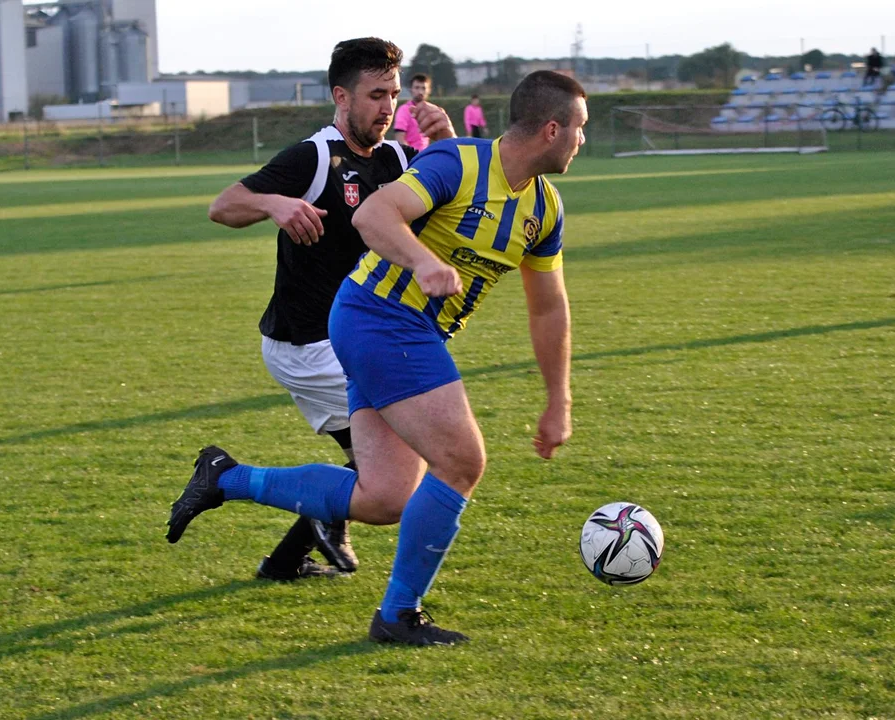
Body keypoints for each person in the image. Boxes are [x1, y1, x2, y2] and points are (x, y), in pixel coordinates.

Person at [167, 70, 585, 646]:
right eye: (580, 129)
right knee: (462, 461)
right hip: (381, 317)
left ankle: (226, 478)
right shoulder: (458, 164)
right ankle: (397, 616)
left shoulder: (544, 209)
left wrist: (557, 399)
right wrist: (422, 262)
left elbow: (548, 310)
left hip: (393, 328)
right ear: (552, 128)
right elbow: (372, 216)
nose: (582, 141)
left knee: (386, 496)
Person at [174, 37, 454, 583]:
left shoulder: (397, 159)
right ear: (341, 97)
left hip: (354, 340)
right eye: (376, 94)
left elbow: (458, 198)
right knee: (400, 466)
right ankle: (236, 481)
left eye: (393, 94)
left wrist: (446, 141)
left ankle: (284, 559)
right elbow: (222, 206)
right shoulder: (316, 156)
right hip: (307, 344)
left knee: (381, 467)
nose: (388, 106)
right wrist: (272, 202)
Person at [393, 73, 432, 151]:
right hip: (411, 157)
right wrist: (412, 156)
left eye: (423, 88)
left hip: (424, 156)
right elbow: (400, 138)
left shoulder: (430, 110)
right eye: (417, 88)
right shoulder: (404, 110)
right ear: (411, 89)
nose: (420, 92)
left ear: (429, 90)